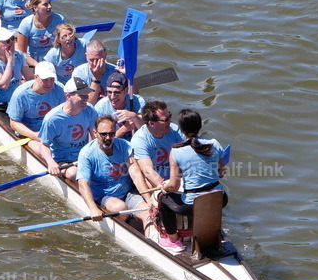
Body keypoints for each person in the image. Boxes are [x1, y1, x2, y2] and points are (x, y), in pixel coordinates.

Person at [159, 109, 227, 251]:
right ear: (199, 126)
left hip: (193, 203)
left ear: (181, 129)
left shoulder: (176, 151)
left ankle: (172, 240)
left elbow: (174, 185)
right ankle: (214, 232)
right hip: (220, 198)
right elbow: (221, 173)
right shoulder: (214, 143)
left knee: (163, 200)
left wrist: (164, 186)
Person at [76, 115, 148, 228]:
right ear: (95, 133)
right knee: (120, 207)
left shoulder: (124, 145)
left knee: (147, 210)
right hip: (103, 196)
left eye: (111, 133)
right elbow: (83, 184)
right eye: (103, 134)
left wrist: (148, 199)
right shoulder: (86, 154)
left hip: (126, 193)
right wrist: (93, 209)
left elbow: (135, 173)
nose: (108, 138)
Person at [131, 100, 185, 251]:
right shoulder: (140, 139)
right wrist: (165, 186)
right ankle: (165, 234)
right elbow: (148, 171)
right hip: (152, 183)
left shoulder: (174, 131)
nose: (170, 121)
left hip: (174, 179)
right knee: (164, 198)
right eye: (165, 119)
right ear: (152, 123)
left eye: (170, 116)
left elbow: (187, 155)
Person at [36, 76, 97, 182]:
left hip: (83, 156)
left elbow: (95, 136)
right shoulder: (53, 119)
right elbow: (44, 144)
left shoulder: (90, 110)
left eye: (86, 94)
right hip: (63, 160)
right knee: (73, 174)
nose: (86, 98)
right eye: (81, 95)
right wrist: (50, 163)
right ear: (68, 96)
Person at [6, 61, 65, 144]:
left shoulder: (60, 89)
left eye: (52, 79)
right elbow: (14, 123)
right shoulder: (20, 94)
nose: (49, 83)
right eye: (45, 80)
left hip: (51, 131)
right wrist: (34, 135)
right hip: (29, 134)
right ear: (35, 77)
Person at [0, 27, 33, 107]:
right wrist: (10, 61)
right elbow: (4, 85)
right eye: (7, 41)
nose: (11, 43)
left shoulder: (19, 55)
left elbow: (30, 78)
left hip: (16, 101)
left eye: (12, 39)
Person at [16, 0, 65, 67]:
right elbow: (22, 52)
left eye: (50, 3)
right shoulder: (26, 24)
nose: (49, 6)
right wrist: (38, 65)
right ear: (35, 7)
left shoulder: (59, 20)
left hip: (54, 61)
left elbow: (64, 45)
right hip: (34, 62)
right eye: (45, 4)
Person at [94, 71, 145, 138]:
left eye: (117, 92)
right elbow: (101, 140)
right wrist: (124, 129)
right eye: (109, 92)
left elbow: (146, 130)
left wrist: (135, 117)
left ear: (126, 91)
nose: (112, 97)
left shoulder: (137, 101)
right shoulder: (100, 108)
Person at [73, 39, 118, 105]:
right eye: (91, 60)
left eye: (98, 60)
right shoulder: (78, 73)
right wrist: (96, 78)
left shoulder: (115, 72)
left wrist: (130, 77)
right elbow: (87, 104)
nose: (95, 63)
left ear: (105, 56)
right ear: (86, 56)